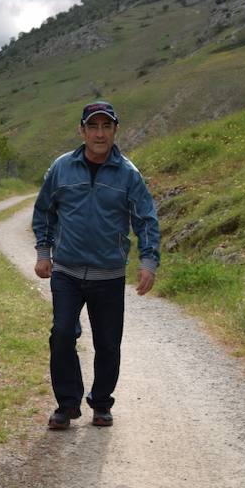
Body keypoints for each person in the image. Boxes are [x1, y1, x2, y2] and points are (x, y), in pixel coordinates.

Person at [32, 101, 160, 430]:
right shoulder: (61, 168)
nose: (100, 133)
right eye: (93, 126)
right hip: (67, 272)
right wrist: (44, 252)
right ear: (82, 131)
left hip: (109, 274)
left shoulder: (128, 174)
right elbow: (44, 211)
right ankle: (67, 404)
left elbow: (145, 219)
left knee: (107, 343)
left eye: (106, 126)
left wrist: (148, 261)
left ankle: (101, 403)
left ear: (115, 130)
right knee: (61, 334)